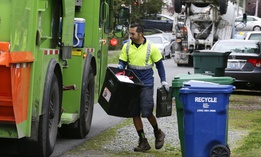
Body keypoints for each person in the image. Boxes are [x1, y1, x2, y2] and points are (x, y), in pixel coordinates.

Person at [118, 23, 169, 152]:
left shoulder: (151, 48)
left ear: (140, 34)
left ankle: (158, 132)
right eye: (130, 33)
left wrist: (163, 81)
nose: (131, 35)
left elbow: (159, 65)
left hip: (146, 83)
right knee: (134, 113)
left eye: (133, 33)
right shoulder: (127, 46)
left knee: (146, 111)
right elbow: (123, 61)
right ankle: (143, 141)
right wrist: (120, 66)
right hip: (132, 84)